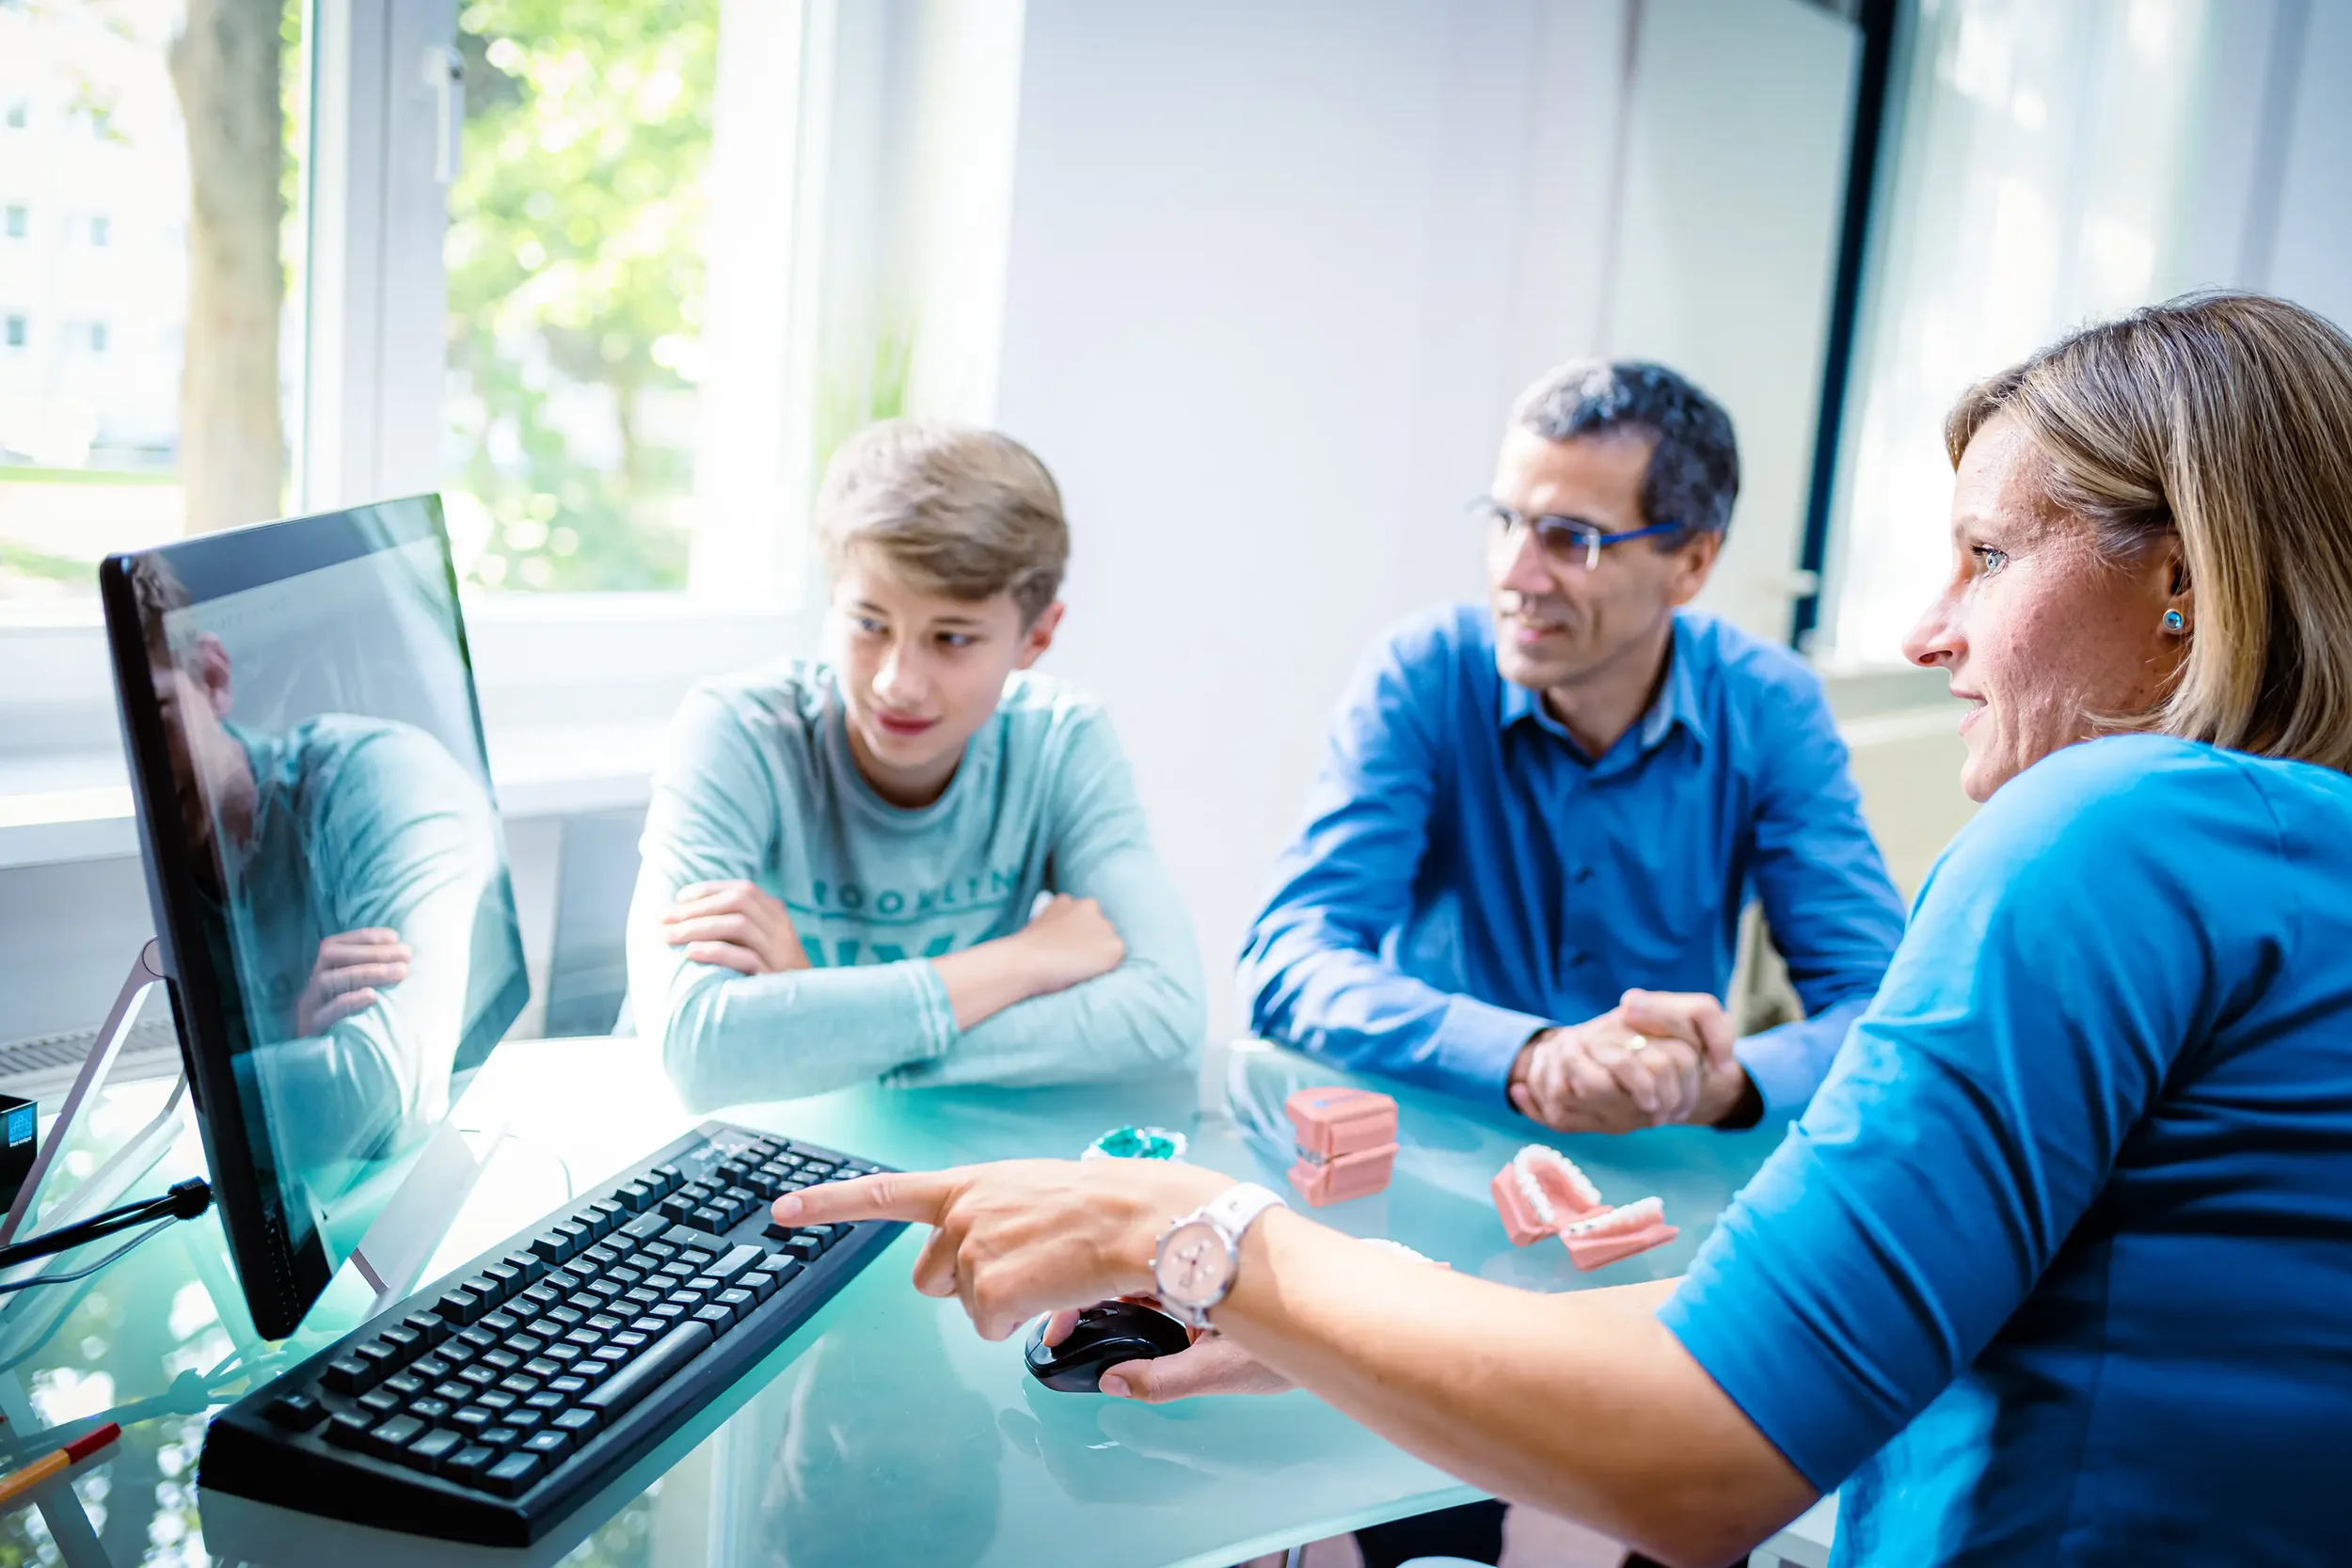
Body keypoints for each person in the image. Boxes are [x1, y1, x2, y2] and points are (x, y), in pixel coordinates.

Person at [783, 293, 2352, 1565]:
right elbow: (1292, 955)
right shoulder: (2293, 851)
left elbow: (1701, 1458)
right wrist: (1337, 1275)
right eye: (1508, 522)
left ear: (2184, 581)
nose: (1924, 629)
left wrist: (1181, 1231)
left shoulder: (2100, 826)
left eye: (1989, 557)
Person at [1238, 360, 1903, 1136]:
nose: (1515, 574)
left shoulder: (1770, 706)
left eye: (1571, 539)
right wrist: (1529, 1055)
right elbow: (1288, 956)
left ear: (1690, 563)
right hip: (1431, 1138)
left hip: (1657, 1164)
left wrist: (1722, 1084)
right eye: (1505, 521)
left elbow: (1882, 1010)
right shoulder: (1423, 672)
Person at [627, 419, 1205, 1109]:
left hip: (917, 1147)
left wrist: (819, 1025)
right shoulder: (736, 730)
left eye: (952, 638)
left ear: (1037, 636)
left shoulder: (1061, 739)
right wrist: (1016, 962)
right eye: (869, 624)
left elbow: (1165, 1012)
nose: (897, 682)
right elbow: (699, 1052)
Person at [130, 553, 527, 1180]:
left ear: (211, 676)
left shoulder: (381, 778)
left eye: (157, 719)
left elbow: (386, 1094)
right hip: (357, 1197)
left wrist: (178, 1121)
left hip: (479, 1154)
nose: (145, 777)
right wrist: (297, 1053)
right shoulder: (178, 877)